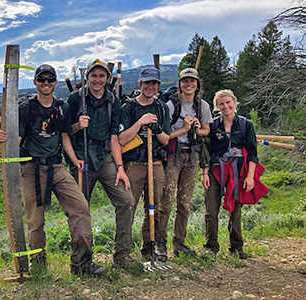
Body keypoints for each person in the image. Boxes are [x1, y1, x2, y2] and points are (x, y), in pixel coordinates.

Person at [0, 64, 105, 276]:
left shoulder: (62, 107)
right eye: (42, 79)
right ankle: (38, 266)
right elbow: (16, 140)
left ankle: (82, 264)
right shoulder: (25, 109)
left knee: (80, 208)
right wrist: (3, 141)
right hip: (31, 167)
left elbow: (65, 136)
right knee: (35, 221)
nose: (46, 83)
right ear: (36, 82)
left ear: (55, 82)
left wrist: (74, 160)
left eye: (50, 79)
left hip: (56, 165)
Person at [67, 59, 137, 269]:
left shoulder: (113, 101)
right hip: (80, 157)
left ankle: (122, 256)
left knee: (126, 200)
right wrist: (78, 126)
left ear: (107, 78)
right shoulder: (74, 99)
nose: (98, 80)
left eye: (102, 76)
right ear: (87, 77)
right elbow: (65, 133)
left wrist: (120, 168)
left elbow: (114, 136)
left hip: (104, 157)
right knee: (80, 210)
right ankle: (81, 262)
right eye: (94, 75)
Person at [201, 89, 264, 259]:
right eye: (221, 104)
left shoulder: (245, 125)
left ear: (234, 102)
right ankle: (211, 247)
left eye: (228, 102)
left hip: (238, 171)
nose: (225, 106)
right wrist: (204, 173)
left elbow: (252, 153)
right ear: (217, 106)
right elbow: (207, 150)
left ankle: (236, 247)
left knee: (236, 209)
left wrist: (250, 177)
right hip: (216, 170)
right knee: (211, 210)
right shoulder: (213, 125)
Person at [118, 67, 170, 260]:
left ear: (158, 86)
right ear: (140, 84)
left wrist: (156, 129)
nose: (150, 87)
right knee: (128, 208)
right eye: (147, 83)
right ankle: (123, 253)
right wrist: (140, 123)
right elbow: (122, 139)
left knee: (153, 208)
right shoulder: (129, 107)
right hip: (134, 164)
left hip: (155, 164)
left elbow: (166, 140)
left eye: (154, 83)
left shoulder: (161, 108)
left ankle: (149, 249)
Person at [162, 68, 212, 257]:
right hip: (174, 156)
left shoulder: (203, 106)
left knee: (184, 202)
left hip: (193, 156)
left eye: (192, 81)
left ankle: (179, 243)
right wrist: (184, 128)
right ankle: (160, 243)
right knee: (166, 201)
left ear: (197, 84)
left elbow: (207, 130)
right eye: (185, 81)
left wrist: (198, 129)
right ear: (180, 84)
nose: (188, 84)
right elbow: (164, 136)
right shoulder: (171, 105)